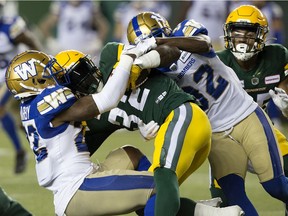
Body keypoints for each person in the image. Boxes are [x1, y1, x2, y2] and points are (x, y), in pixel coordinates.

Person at [127, 11, 288, 216]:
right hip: (216, 135)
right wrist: (147, 125)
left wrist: (159, 41)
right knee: (234, 198)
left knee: (276, 186)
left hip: (245, 116)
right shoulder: (154, 75)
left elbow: (204, 43)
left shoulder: (185, 32)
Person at [55, 47, 244, 216]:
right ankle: (211, 212)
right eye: (78, 79)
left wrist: (142, 60)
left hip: (181, 114)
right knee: (153, 203)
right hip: (178, 129)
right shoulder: (90, 119)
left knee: (162, 180)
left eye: (85, 70)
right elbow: (74, 162)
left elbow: (171, 52)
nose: (87, 79)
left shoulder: (111, 56)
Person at [5, 37, 157, 216]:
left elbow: (95, 114)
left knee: (131, 154)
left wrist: (138, 120)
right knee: (160, 186)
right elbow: (107, 100)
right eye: (46, 72)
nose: (54, 73)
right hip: (78, 189)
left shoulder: (32, 107)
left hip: (80, 180)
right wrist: (127, 57)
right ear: (34, 81)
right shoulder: (45, 103)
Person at [210, 3, 288, 212]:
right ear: (228, 35)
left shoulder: (277, 56)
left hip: (263, 130)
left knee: (283, 180)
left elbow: (285, 91)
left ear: (261, 36)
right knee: (225, 201)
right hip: (226, 135)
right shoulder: (218, 62)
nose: (243, 39)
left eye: (249, 33)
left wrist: (286, 106)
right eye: (237, 33)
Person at [0, 0, 42, 173]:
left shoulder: (10, 27)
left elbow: (31, 41)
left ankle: (20, 151)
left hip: (13, 75)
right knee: (20, 119)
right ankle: (29, 146)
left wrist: (40, 62)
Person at [38, 0, 109, 59]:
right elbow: (45, 25)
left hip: (86, 51)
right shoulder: (61, 5)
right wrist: (51, 41)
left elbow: (104, 26)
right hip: (65, 50)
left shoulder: (89, 4)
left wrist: (98, 41)